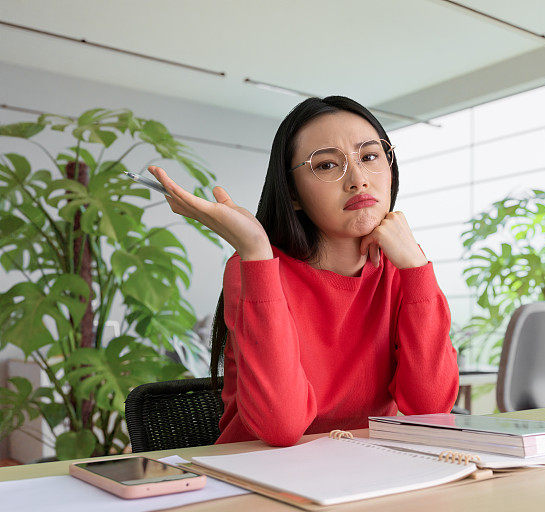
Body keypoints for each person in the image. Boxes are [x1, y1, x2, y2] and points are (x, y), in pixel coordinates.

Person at [149, 96, 459, 447]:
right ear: (292, 193)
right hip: (259, 480)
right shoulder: (254, 269)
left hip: (368, 476)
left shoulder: (400, 266)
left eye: (370, 156)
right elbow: (281, 428)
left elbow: (430, 408)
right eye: (326, 165)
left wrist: (416, 269)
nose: (358, 179)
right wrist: (255, 251)